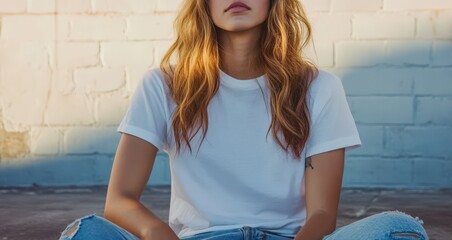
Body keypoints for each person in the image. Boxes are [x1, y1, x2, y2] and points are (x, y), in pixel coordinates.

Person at [59, 0, 429, 239]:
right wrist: (161, 236)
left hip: (288, 239)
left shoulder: (319, 88)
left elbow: (321, 214)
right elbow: (120, 200)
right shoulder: (164, 85)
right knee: (85, 233)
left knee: (400, 231)